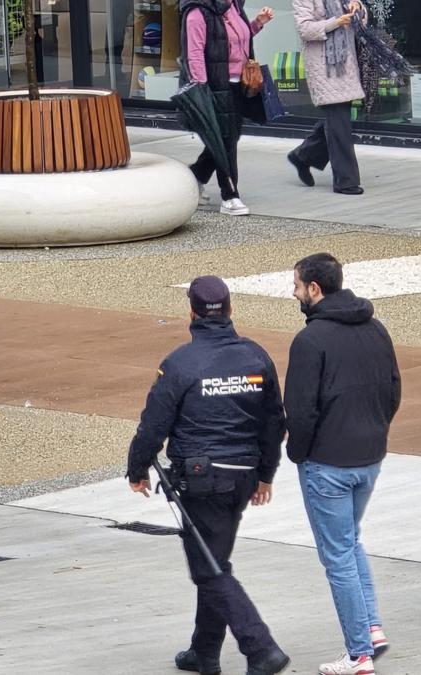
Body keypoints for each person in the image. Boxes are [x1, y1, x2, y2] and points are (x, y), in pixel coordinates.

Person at [126, 275, 290, 675]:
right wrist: (266, 474)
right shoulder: (256, 357)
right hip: (244, 474)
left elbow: (153, 425)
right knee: (214, 561)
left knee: (209, 568)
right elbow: (274, 422)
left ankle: (261, 647)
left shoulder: (181, 363)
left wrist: (137, 468)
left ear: (191, 313)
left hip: (202, 480)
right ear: (230, 309)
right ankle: (204, 652)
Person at [284, 253, 402, 675]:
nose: (294, 293)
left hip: (327, 463)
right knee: (350, 542)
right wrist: (376, 432)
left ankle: (358, 654)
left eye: (297, 286)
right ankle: (371, 629)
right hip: (369, 457)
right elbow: (392, 391)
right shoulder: (375, 328)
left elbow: (299, 410)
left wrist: (299, 452)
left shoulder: (310, 341)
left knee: (337, 555)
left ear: (315, 289)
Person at [180, 0, 275, 215]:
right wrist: (202, 92)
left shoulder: (233, 6)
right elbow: (193, 54)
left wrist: (257, 24)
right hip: (214, 87)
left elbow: (236, 40)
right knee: (226, 143)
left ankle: (195, 177)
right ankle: (230, 196)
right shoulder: (197, 12)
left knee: (228, 138)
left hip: (237, 84)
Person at [286, 0, 367, 195]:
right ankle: (345, 182)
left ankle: (303, 155)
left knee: (339, 121)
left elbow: (362, 21)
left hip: (345, 63)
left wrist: (358, 8)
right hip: (324, 66)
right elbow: (304, 28)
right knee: (339, 122)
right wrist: (336, 22)